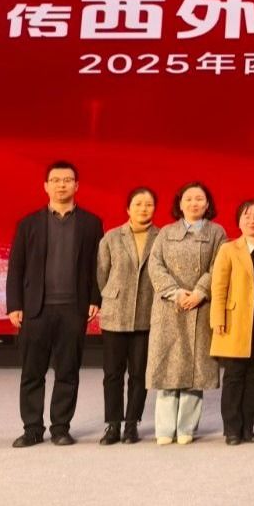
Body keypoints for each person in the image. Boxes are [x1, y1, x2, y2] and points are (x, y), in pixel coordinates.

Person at [7, 160, 104, 448]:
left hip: (73, 309)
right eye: (56, 180)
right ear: (46, 186)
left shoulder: (91, 223)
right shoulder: (28, 223)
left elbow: (98, 266)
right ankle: (32, 429)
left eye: (67, 180)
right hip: (35, 309)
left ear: (77, 185)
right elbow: (16, 266)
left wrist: (95, 298)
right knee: (32, 372)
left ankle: (61, 427)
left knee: (67, 372)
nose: (62, 185)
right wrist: (14, 304)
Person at [146, 182, 227, 445]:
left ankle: (186, 428)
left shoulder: (217, 232)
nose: (194, 203)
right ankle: (164, 429)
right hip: (169, 308)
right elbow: (155, 265)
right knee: (168, 368)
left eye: (199, 199)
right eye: (189, 199)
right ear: (180, 204)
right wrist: (175, 292)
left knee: (194, 371)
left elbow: (219, 265)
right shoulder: (166, 232)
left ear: (207, 203)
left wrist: (200, 291)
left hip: (200, 307)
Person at [209, 200, 254, 445]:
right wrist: (218, 318)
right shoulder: (229, 249)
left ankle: (248, 427)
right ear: (238, 222)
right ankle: (231, 429)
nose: (252, 220)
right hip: (235, 322)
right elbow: (218, 287)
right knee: (234, 376)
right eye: (247, 216)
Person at [95, 186, 159, 445]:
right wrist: (113, 294)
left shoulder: (162, 237)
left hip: (147, 312)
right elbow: (102, 273)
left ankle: (132, 423)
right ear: (128, 209)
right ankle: (112, 424)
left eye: (149, 204)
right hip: (115, 313)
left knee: (139, 374)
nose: (143, 208)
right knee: (112, 373)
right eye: (138, 204)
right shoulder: (111, 237)